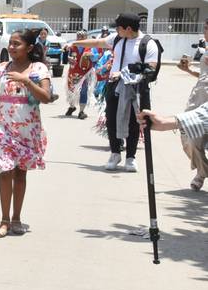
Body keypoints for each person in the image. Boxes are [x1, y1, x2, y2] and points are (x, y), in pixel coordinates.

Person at [68, 13, 160, 172]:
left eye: (118, 27)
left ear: (128, 28)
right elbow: (98, 42)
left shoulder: (148, 44)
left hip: (135, 89)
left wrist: (124, 73)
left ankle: (130, 158)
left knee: (133, 122)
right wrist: (75, 42)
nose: (116, 30)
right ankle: (115, 153)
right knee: (111, 121)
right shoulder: (117, 38)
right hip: (114, 86)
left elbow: (150, 69)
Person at [0, 28, 52, 238]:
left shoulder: (38, 68)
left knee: (20, 173)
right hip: (3, 126)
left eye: (17, 44)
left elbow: (46, 97)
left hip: (27, 127)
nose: (12, 47)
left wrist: (26, 81)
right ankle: (4, 220)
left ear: (29, 47)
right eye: (11, 43)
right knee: (5, 170)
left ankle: (16, 218)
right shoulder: (2, 68)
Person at [174, 19, 208, 189]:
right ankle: (203, 170)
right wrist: (188, 70)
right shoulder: (206, 49)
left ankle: (201, 174)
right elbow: (204, 75)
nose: (206, 32)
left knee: (197, 138)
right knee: (188, 135)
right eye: (206, 29)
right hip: (198, 98)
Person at [65, 30, 95, 119]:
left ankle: (81, 111)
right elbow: (66, 57)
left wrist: (91, 55)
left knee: (83, 91)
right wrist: (69, 57)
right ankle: (72, 106)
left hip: (85, 73)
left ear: (86, 38)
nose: (80, 39)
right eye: (78, 37)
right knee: (71, 90)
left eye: (82, 37)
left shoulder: (90, 47)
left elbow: (96, 56)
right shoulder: (72, 46)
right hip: (73, 72)